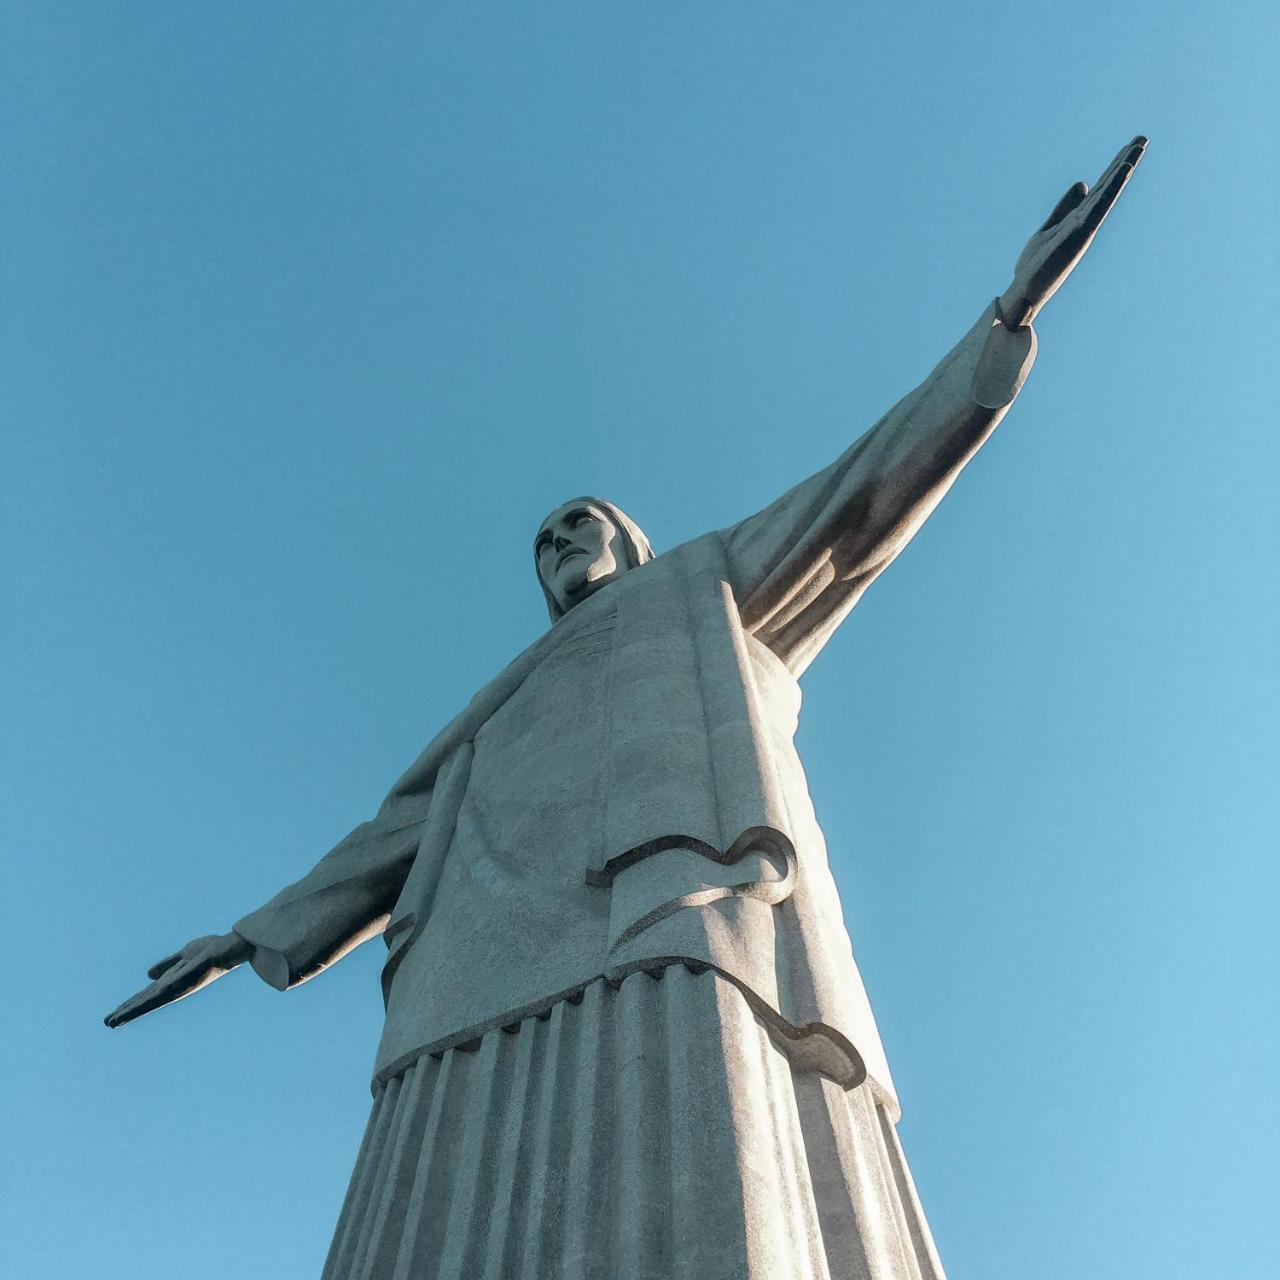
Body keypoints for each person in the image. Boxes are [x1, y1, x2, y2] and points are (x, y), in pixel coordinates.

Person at [107, 137, 1146, 1280]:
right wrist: (250, 930)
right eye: (543, 539)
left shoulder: (698, 585)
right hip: (472, 964)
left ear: (629, 541)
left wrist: (999, 322)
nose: (559, 544)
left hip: (660, 893)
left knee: (694, 1137)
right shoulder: (494, 705)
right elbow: (391, 835)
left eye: (578, 523)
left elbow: (858, 498)